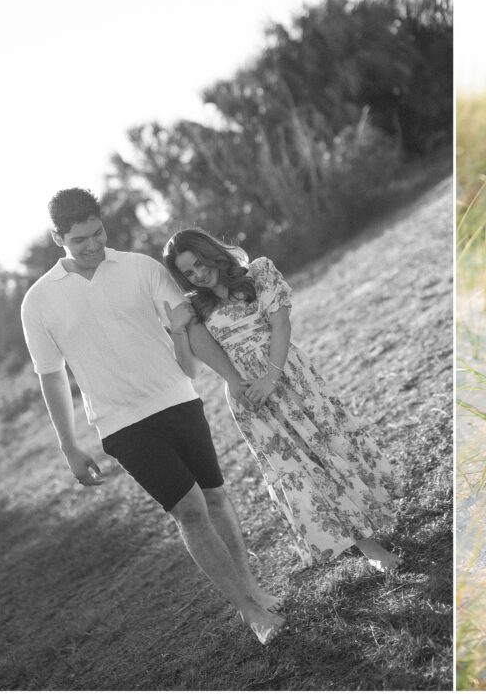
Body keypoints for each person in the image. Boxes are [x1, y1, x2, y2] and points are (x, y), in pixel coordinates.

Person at [21, 188, 285, 645]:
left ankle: (252, 588)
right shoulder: (38, 301)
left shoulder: (140, 268)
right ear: (57, 237)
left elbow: (189, 326)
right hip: (122, 424)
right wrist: (69, 445)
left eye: (98, 232)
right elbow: (52, 376)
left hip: (178, 399)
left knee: (216, 498)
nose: (92, 245)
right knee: (189, 511)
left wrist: (230, 377)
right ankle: (247, 610)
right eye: (79, 239)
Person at [162, 228, 400, 572]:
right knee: (299, 469)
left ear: (211, 252)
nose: (198, 274)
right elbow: (189, 369)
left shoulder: (258, 272)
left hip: (288, 374)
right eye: (188, 272)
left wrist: (271, 377)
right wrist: (178, 331)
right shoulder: (194, 309)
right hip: (250, 397)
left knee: (327, 448)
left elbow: (281, 326)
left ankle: (368, 517)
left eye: (200, 263)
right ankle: (369, 548)